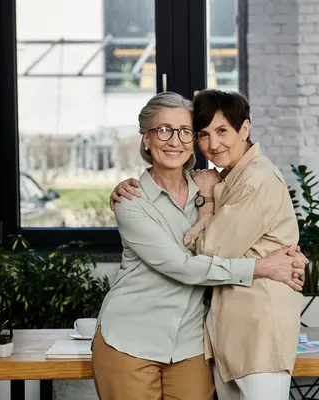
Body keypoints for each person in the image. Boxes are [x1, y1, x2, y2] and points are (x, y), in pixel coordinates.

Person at [94, 91, 307, 400]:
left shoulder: (211, 189)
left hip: (191, 345)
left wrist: (288, 256)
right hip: (131, 339)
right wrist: (263, 267)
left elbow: (258, 232)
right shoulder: (132, 201)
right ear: (146, 139)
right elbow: (181, 266)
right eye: (163, 130)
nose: (174, 141)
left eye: (184, 132)